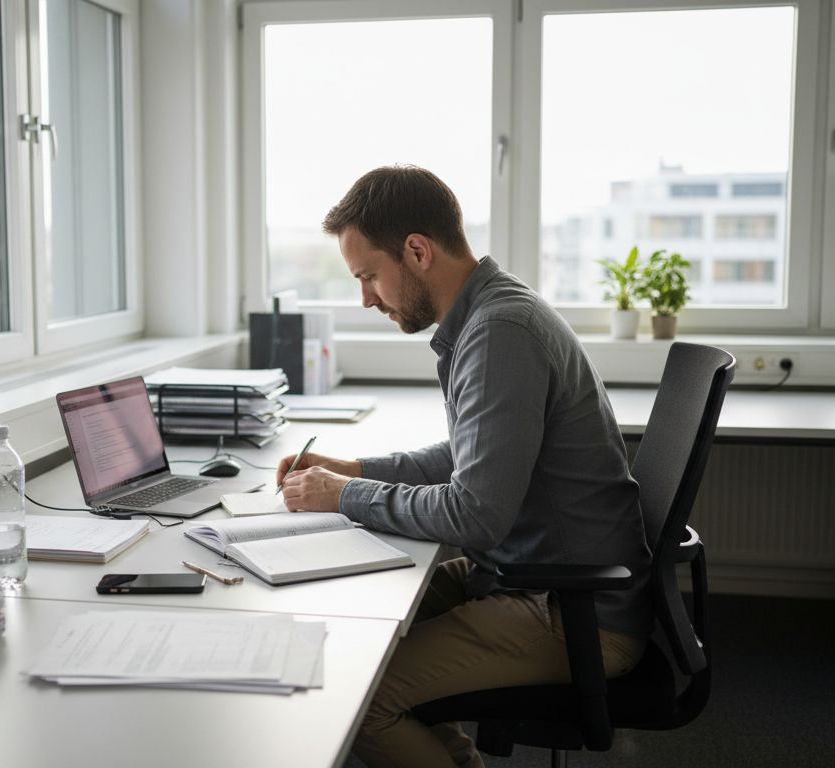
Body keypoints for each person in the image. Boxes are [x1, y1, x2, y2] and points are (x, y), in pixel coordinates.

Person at [276, 165, 653, 768]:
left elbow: (476, 513)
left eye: (369, 276)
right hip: (529, 576)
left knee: (360, 699)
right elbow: (471, 456)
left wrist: (343, 494)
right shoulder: (489, 315)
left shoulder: (500, 331)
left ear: (418, 251)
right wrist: (353, 466)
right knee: (354, 634)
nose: (366, 298)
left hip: (571, 610)